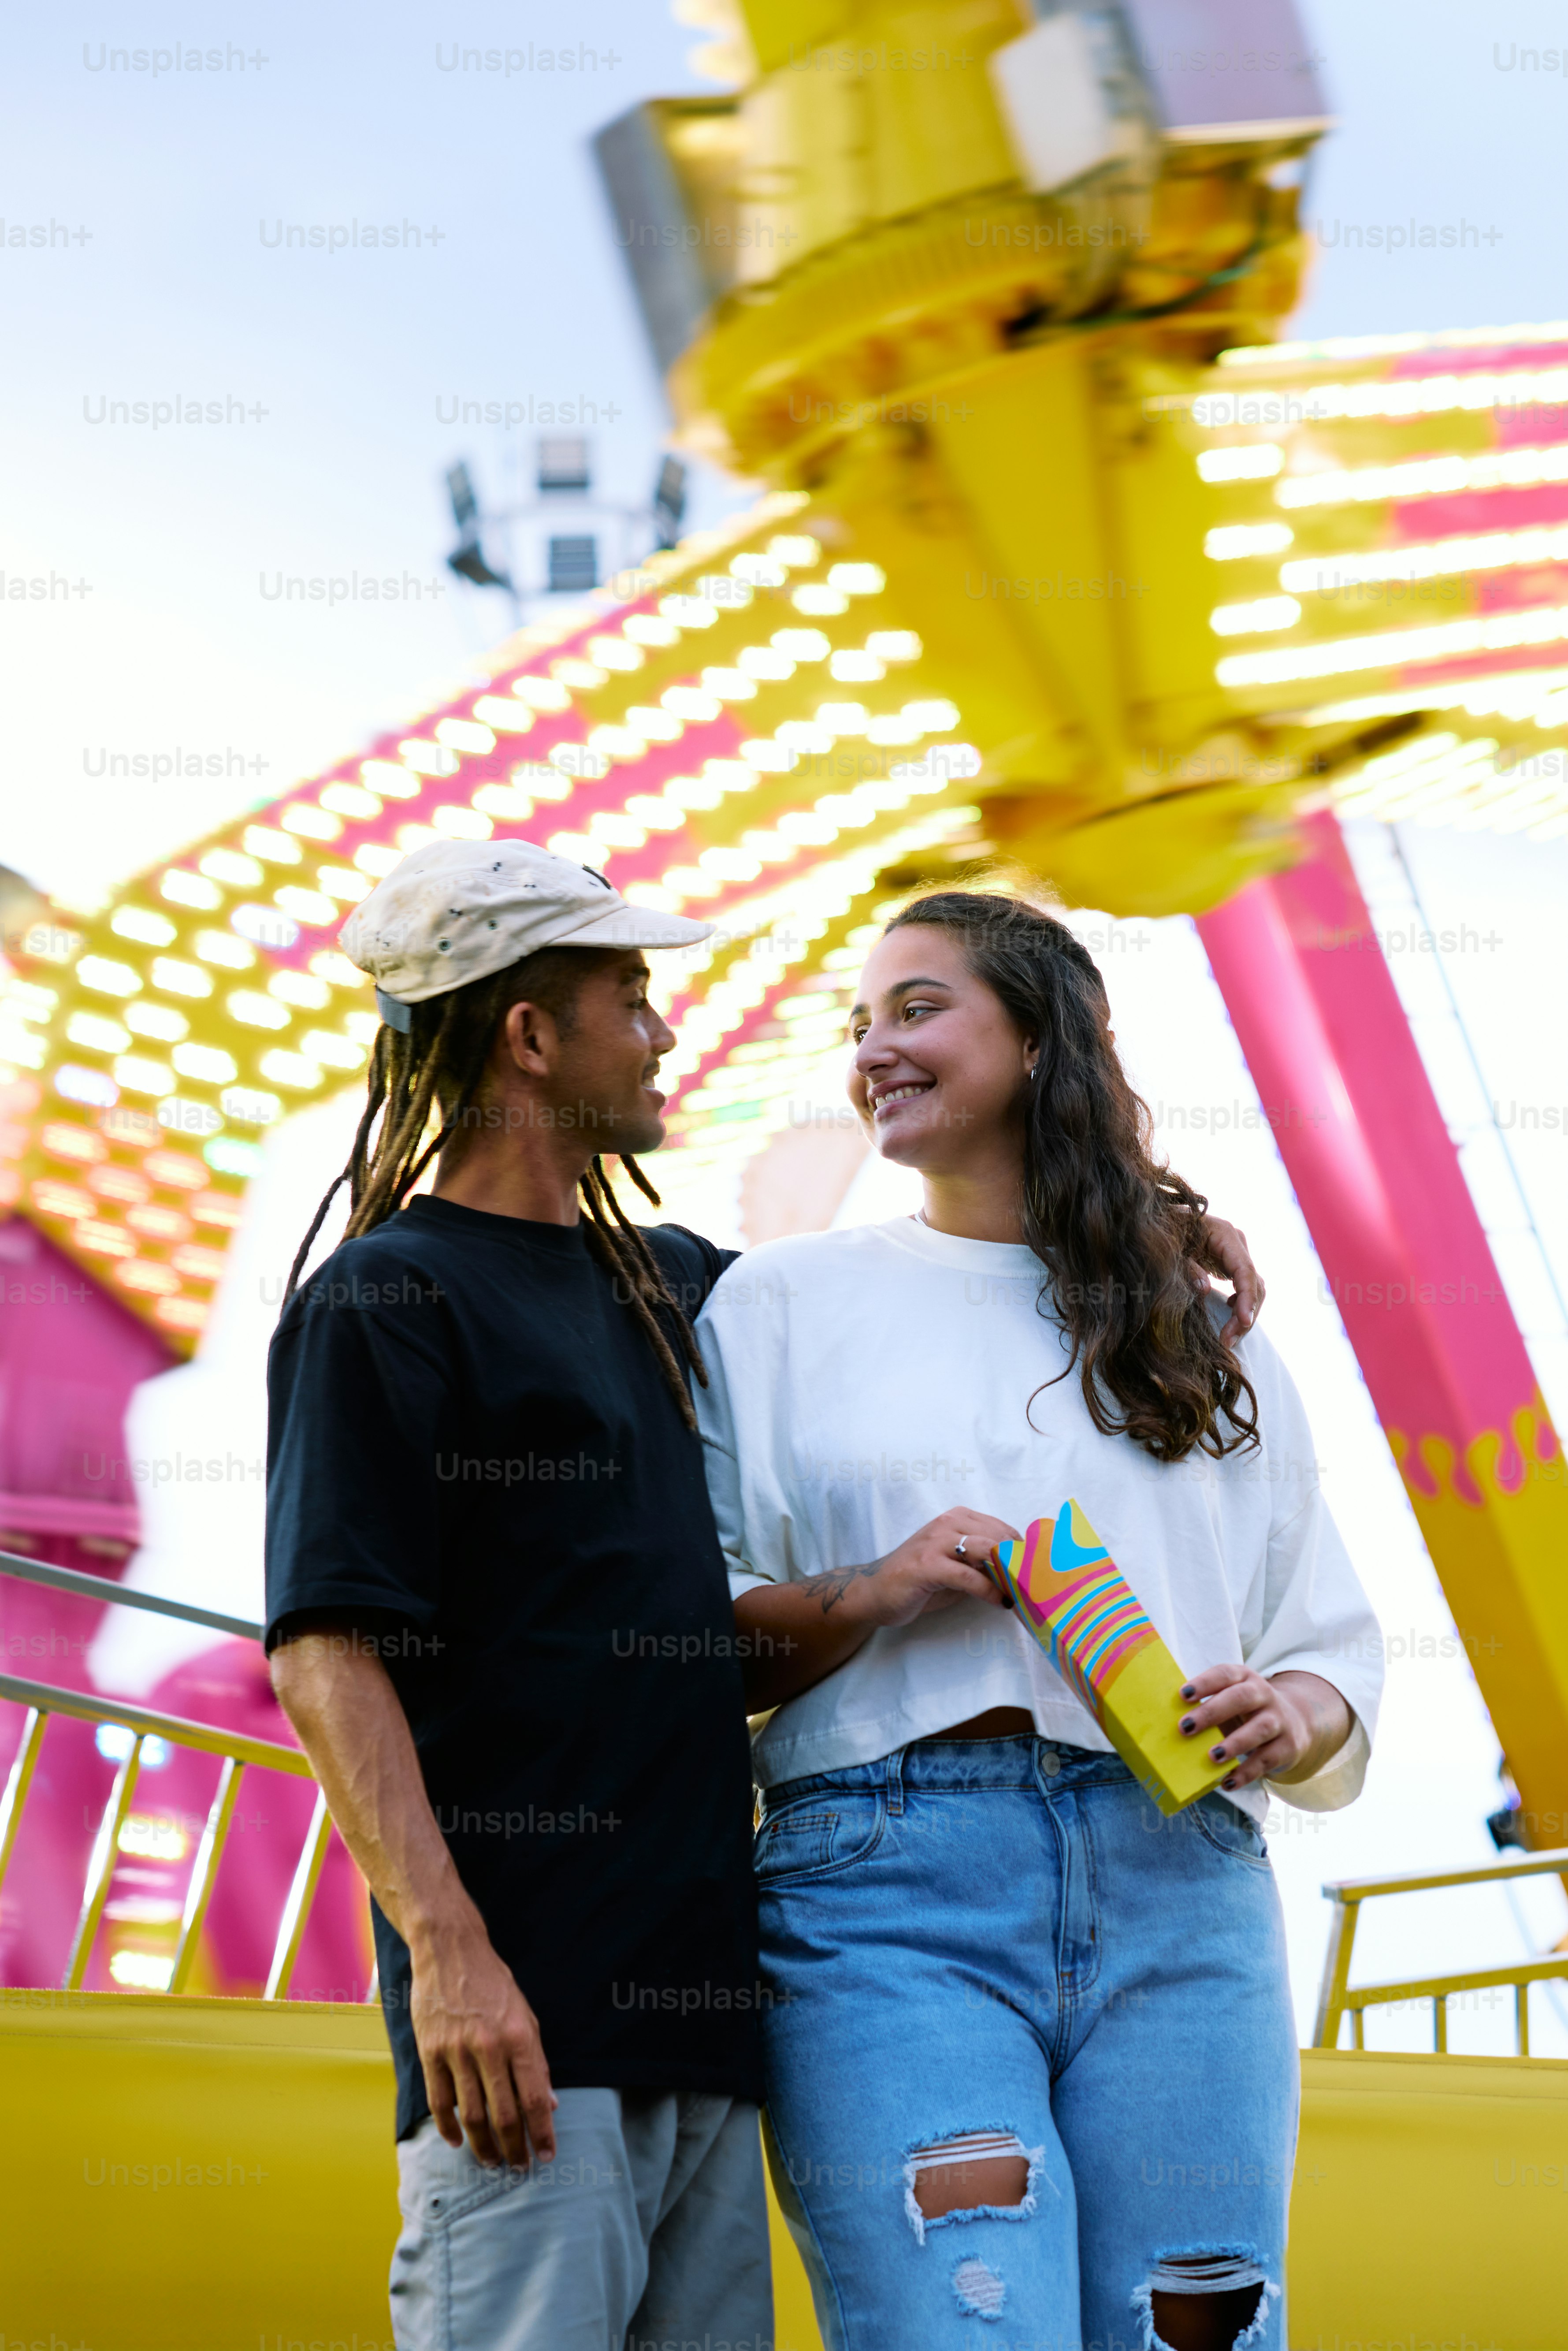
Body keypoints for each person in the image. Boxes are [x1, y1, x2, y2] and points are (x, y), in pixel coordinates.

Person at [693, 888, 1383, 2351]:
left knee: (1193, 2334)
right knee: (968, 2327)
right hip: (886, 1900)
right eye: (859, 1023)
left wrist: (1289, 1711)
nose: (874, 1047)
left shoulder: (1193, 1326)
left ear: (1042, 1034)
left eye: (917, 1007)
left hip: (1184, 1886)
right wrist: (875, 1589)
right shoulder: (777, 1302)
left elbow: (1322, 1643)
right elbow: (698, 1633)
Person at [264, 840, 772, 2351]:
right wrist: (454, 1960)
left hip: (706, 2031)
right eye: (632, 995)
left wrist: (1137, 1225)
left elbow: (915, 1294)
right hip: (523, 2040)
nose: (664, 1030)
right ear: (532, 1037)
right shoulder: (385, 1300)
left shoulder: (670, 1284)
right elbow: (328, 1655)